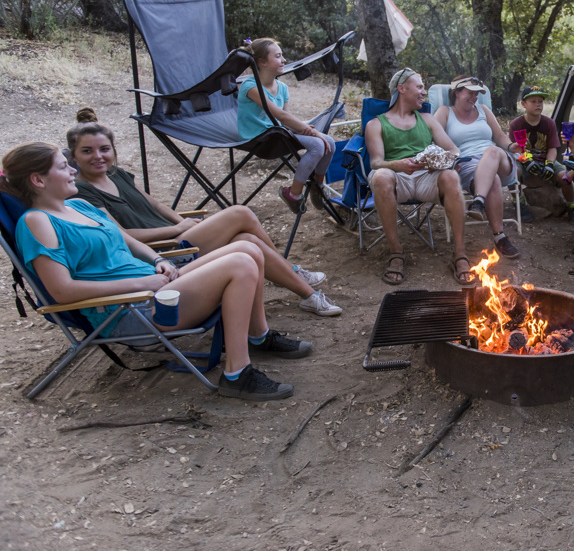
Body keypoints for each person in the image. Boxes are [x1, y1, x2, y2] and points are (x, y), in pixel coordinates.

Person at [1, 142, 309, 401]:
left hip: (157, 288)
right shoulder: (36, 222)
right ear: (38, 181)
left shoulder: (80, 205)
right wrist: (143, 281)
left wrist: (157, 261)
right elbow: (62, 291)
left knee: (249, 249)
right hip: (130, 310)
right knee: (239, 263)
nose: (72, 171)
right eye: (62, 166)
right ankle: (237, 374)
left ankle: (259, 336)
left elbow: (128, 241)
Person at [66, 109, 341, 317]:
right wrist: (177, 229)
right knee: (240, 214)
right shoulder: (82, 190)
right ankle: (291, 271)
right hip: (163, 249)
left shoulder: (118, 175)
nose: (98, 156)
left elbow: (154, 205)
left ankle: (307, 294)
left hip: (179, 235)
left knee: (247, 239)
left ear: (113, 151)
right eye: (87, 151)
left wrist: (181, 221)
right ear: (73, 156)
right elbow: (122, 235)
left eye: (104, 149)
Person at [366, 68, 475, 286]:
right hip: (397, 178)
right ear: (402, 88)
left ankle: (460, 254)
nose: (424, 92)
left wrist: (440, 161)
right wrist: (397, 164)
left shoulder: (427, 119)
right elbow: (376, 163)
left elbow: (454, 151)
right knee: (380, 176)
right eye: (419, 87)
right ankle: (396, 252)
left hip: (428, 176)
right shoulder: (376, 124)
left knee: (452, 177)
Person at [237, 37, 336, 215]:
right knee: (317, 144)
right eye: (278, 56)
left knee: (330, 143)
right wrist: (315, 134)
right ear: (262, 62)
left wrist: (307, 129)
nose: (283, 60)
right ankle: (293, 194)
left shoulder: (282, 87)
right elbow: (280, 114)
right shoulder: (250, 86)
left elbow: (286, 119)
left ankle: (317, 184)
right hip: (260, 138)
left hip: (278, 133)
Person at [434, 75, 520, 259]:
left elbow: (499, 137)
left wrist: (512, 147)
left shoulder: (483, 109)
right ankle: (500, 236)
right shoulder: (444, 112)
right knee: (493, 180)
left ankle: (478, 202)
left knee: (493, 151)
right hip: (468, 165)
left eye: (477, 94)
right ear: (457, 92)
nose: (475, 98)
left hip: (499, 161)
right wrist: (448, 162)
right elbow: (434, 141)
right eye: (470, 93)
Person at [507, 87, 574, 224]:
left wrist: (549, 163)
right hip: (523, 160)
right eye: (533, 101)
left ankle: (572, 206)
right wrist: (527, 161)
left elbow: (552, 148)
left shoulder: (549, 123)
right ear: (523, 104)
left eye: (540, 101)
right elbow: (515, 150)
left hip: (545, 159)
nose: (538, 104)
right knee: (513, 171)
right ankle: (519, 203)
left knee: (566, 177)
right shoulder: (516, 124)